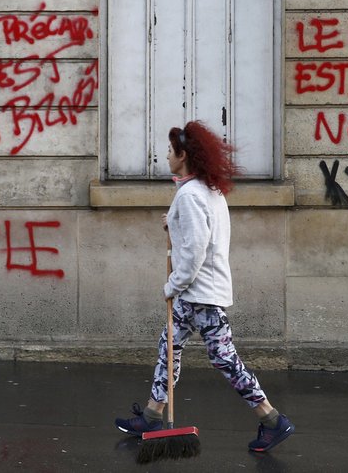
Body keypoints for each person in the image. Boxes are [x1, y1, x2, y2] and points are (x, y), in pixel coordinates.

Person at [114, 121, 295, 453]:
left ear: (183, 156)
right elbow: (202, 231)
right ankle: (154, 413)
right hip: (197, 294)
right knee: (169, 348)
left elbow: (197, 249)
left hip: (199, 294)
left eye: (170, 151)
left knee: (225, 360)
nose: (166, 156)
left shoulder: (191, 195)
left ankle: (272, 419)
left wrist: (173, 284)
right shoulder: (207, 191)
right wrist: (175, 221)